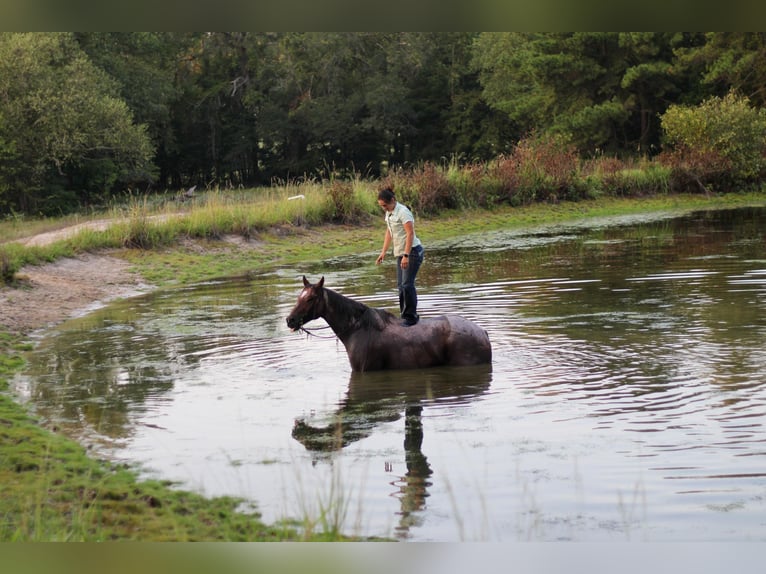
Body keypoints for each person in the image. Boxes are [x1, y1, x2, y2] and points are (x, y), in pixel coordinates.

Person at [375, 187, 424, 326]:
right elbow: (389, 232)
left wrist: (406, 255)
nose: (384, 208)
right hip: (401, 253)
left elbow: (410, 233)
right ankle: (404, 316)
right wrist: (383, 252)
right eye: (381, 206)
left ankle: (411, 317)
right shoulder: (389, 213)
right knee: (401, 286)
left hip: (412, 252)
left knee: (407, 285)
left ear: (392, 200)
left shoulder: (403, 212)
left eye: (385, 205)